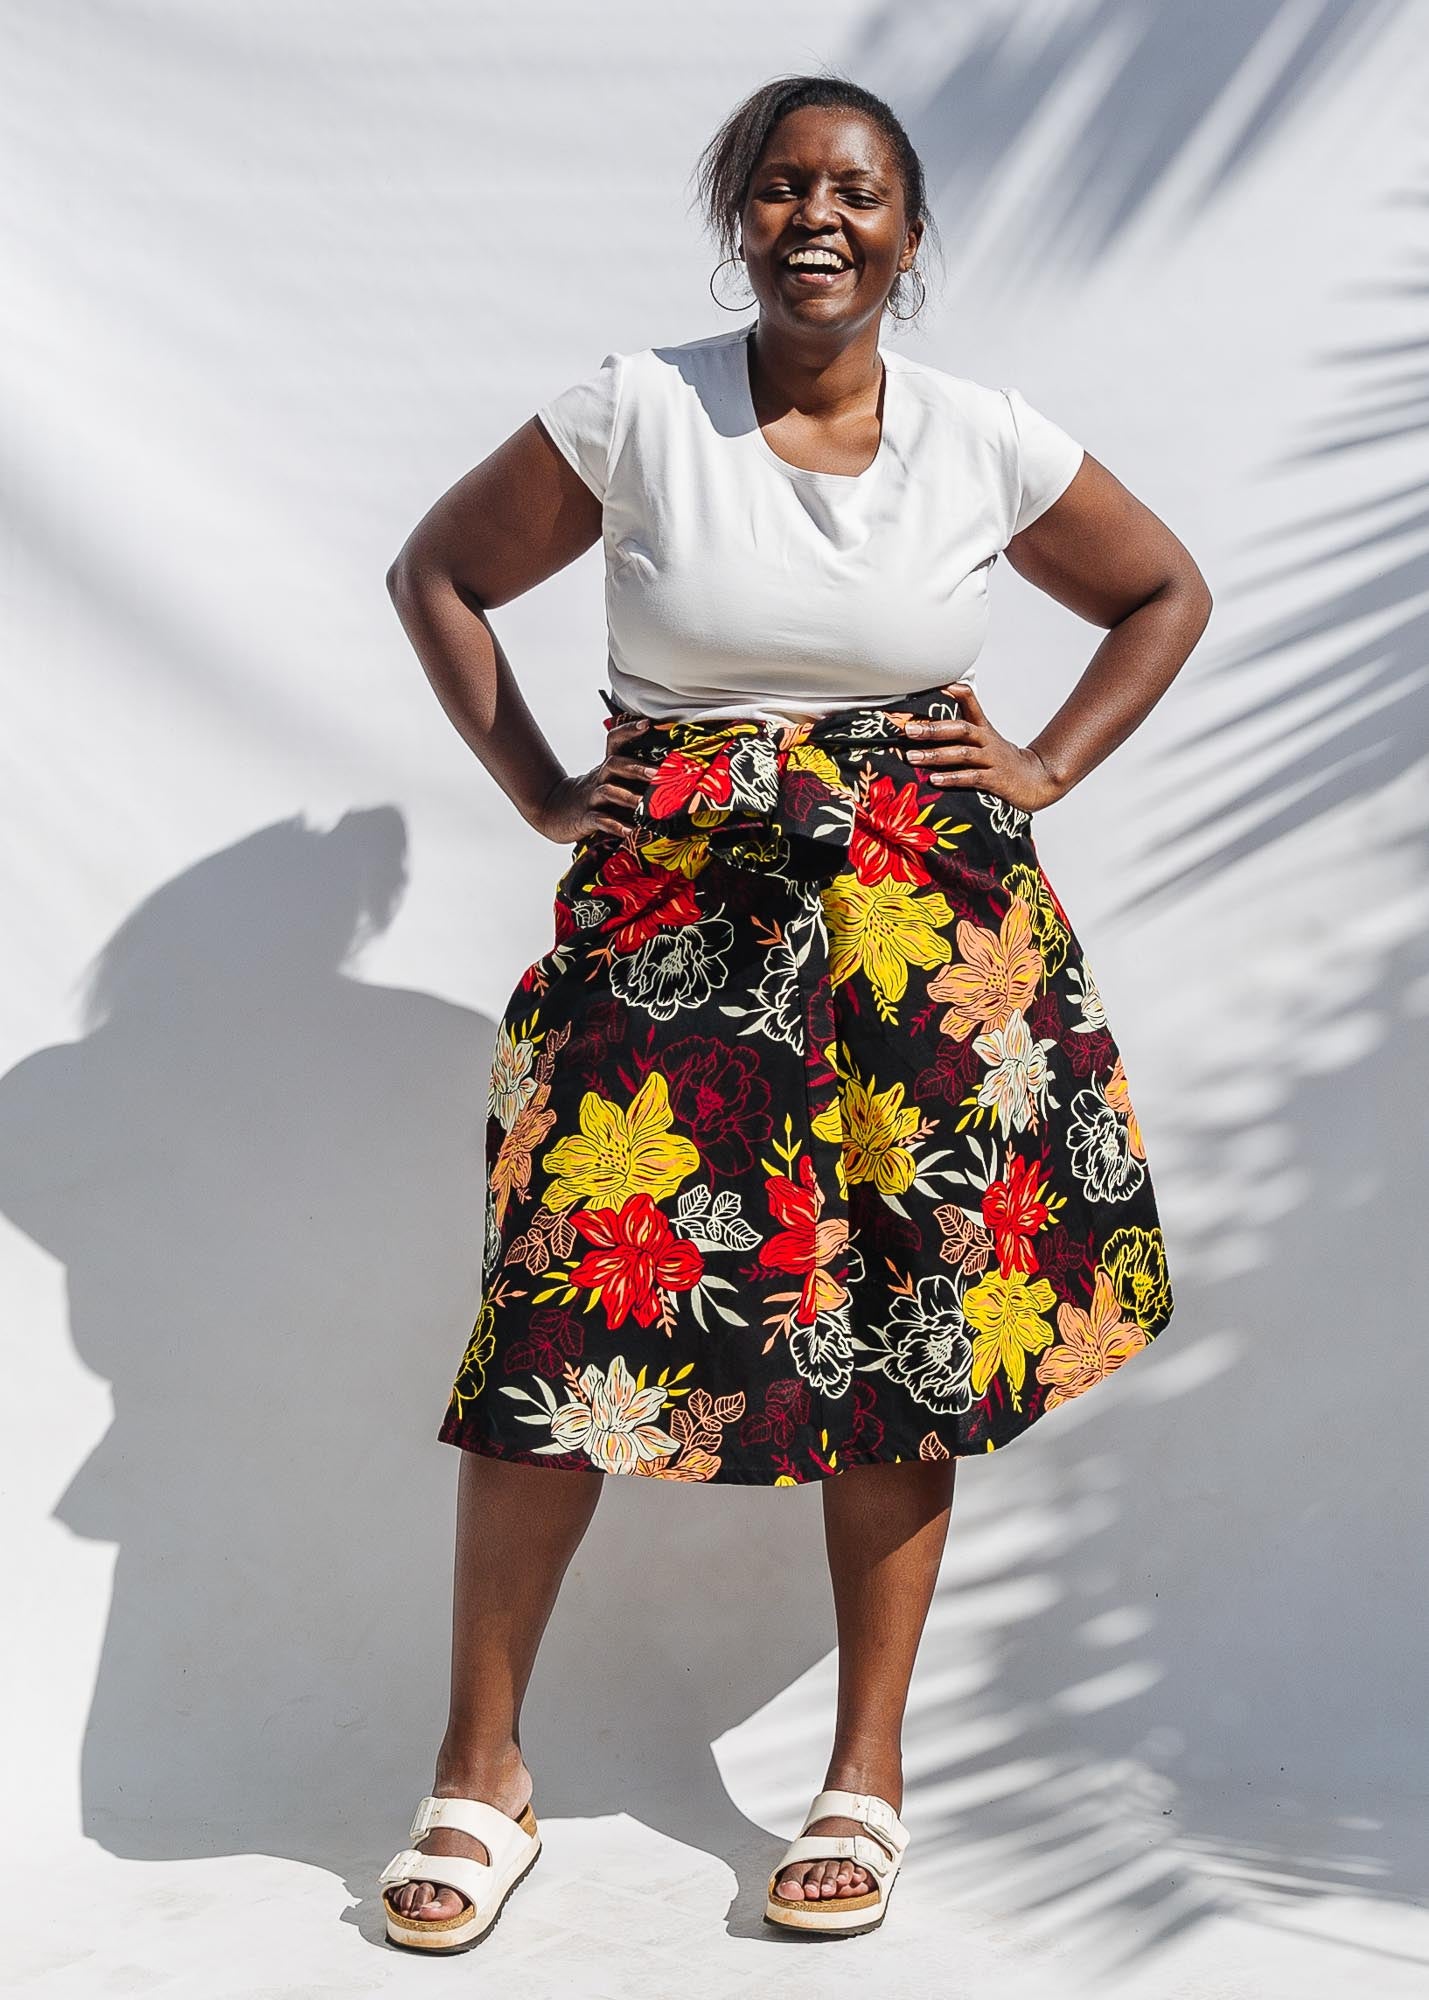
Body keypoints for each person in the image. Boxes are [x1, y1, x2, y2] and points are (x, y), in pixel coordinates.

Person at [379, 72, 1211, 1950]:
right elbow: (439, 572)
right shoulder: (636, 410)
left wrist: (1048, 762)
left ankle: (865, 1777)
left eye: (853, 193)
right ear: (737, 220)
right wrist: (534, 785)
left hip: (922, 936)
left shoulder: (981, 438)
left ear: (907, 238)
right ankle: (480, 1772)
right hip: (669, 929)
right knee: (564, 1317)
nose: (813, 219)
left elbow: (1162, 589)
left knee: (907, 1329)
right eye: (776, 189)